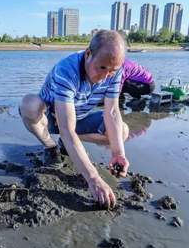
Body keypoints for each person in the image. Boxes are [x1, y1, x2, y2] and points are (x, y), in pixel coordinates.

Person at [19, 30, 129, 209]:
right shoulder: (67, 70)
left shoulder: (115, 70)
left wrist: (118, 153)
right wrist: (94, 179)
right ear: (88, 54)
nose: (104, 76)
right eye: (101, 68)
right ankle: (52, 147)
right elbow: (67, 129)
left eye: (112, 71)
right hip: (52, 117)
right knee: (29, 105)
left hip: (79, 118)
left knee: (122, 131)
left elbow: (112, 113)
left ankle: (67, 144)